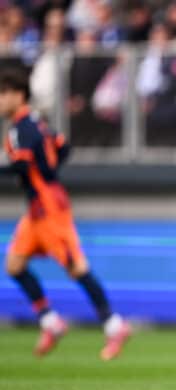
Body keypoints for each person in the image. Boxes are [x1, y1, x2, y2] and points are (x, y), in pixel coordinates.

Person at [0, 68, 131, 360]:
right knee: (14, 264)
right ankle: (51, 322)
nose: (0, 100)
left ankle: (114, 325)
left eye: (3, 94)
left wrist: (38, 176)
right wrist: (46, 172)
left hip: (48, 207)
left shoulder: (21, 128)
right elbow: (63, 147)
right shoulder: (37, 123)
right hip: (38, 207)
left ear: (18, 95)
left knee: (76, 267)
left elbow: (22, 164)